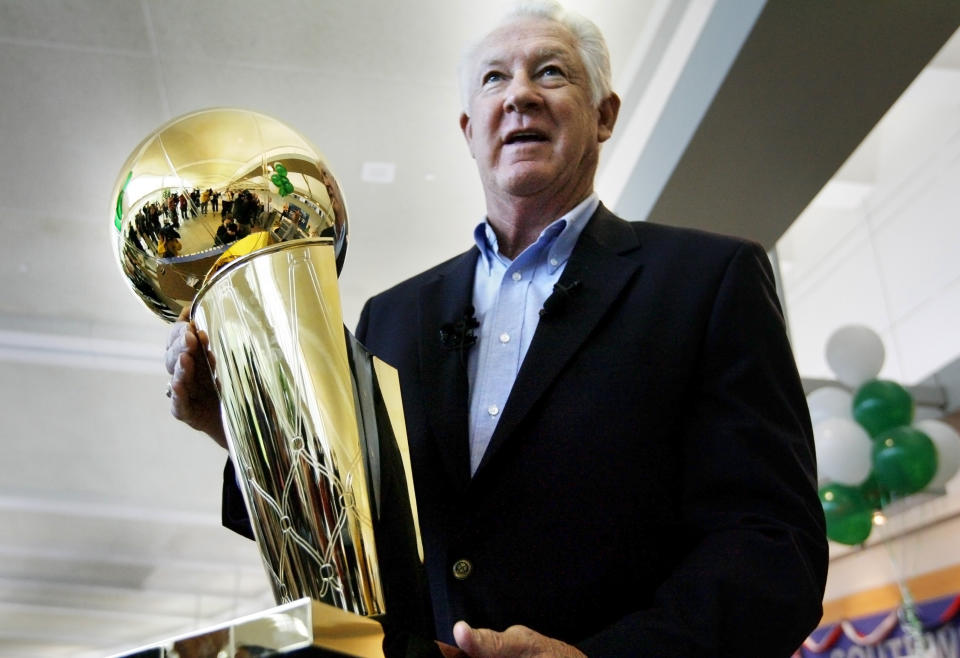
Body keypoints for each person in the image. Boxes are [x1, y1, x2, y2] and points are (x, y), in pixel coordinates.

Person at [166, 2, 827, 656]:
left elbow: (773, 545)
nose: (519, 97)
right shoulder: (392, 317)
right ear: (468, 128)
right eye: (494, 79)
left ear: (604, 115)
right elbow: (349, 539)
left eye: (551, 72)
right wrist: (241, 431)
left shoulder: (708, 281)